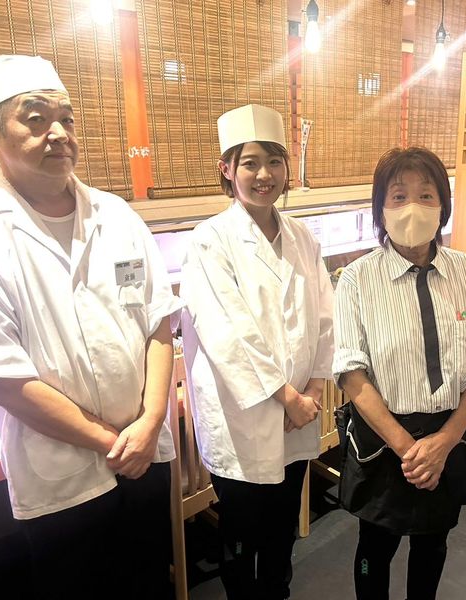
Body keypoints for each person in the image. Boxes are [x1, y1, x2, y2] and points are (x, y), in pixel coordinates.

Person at [0, 55, 183, 599]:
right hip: (63, 482)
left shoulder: (116, 216)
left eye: (66, 119)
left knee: (152, 584)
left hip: (146, 456)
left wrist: (150, 422)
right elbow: (3, 380)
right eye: (35, 119)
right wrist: (115, 443)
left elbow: (158, 323)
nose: (58, 133)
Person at [180, 104, 334, 600]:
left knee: (281, 531)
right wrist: (288, 397)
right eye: (249, 162)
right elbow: (228, 333)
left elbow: (324, 315)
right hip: (243, 420)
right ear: (227, 169)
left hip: (298, 413)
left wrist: (313, 390)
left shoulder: (302, 236)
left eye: (273, 161)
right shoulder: (210, 241)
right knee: (242, 535)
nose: (264, 174)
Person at [333, 147, 466, 600]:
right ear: (381, 209)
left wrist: (443, 443)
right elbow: (351, 373)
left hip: (450, 434)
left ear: (443, 205)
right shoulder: (357, 279)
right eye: (398, 196)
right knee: (374, 547)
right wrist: (409, 450)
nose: (412, 207)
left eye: (426, 195)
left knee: (433, 544)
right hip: (385, 439)